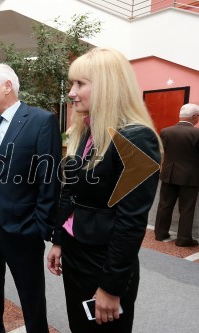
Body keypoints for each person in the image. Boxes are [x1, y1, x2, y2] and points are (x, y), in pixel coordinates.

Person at [46, 48, 162, 333]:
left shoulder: (137, 138)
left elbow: (131, 221)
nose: (71, 93)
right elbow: (69, 192)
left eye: (80, 84)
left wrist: (111, 287)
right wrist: (59, 240)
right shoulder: (86, 131)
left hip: (104, 261)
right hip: (76, 253)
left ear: (107, 86)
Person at [0, 63, 62, 332]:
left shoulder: (41, 121)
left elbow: (49, 180)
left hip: (23, 229)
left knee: (32, 302)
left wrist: (39, 227)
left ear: (7, 86)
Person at [154, 103, 199, 247]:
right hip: (190, 177)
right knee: (186, 209)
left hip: (169, 174)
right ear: (194, 117)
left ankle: (160, 233)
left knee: (164, 205)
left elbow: (162, 152)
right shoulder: (197, 134)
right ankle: (183, 239)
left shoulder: (166, 131)